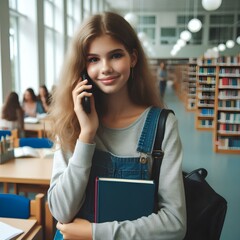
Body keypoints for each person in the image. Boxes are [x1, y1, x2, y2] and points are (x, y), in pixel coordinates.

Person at [47, 12, 186, 240]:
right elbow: (61, 210)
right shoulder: (73, 121)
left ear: (132, 58)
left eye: (115, 55)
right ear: (82, 67)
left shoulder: (162, 125)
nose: (105, 68)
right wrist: (87, 135)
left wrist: (94, 233)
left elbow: (174, 223)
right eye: (93, 59)